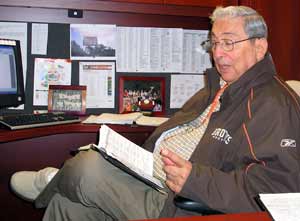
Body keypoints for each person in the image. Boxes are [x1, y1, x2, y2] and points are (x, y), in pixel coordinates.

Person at [10, 5, 300, 220]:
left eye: (229, 43)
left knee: (87, 168)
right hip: (154, 180)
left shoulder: (273, 104)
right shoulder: (220, 86)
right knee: (67, 206)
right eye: (214, 42)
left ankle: (49, 182)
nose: (218, 53)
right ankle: (57, 184)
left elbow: (277, 191)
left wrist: (194, 180)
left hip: (181, 204)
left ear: (259, 47)